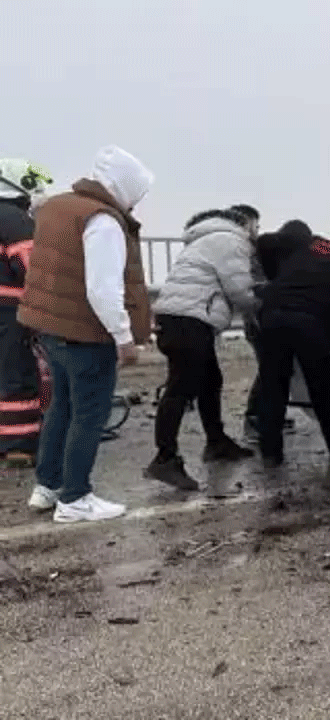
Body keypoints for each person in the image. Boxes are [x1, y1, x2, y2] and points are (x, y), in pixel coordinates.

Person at [17, 145, 154, 523]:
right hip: (85, 335)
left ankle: (48, 486)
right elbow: (103, 289)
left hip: (52, 328)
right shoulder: (103, 220)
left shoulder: (57, 207)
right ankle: (75, 497)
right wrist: (124, 337)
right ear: (122, 186)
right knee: (89, 416)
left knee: (61, 407)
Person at [144, 207, 261, 490]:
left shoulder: (204, 239)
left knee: (210, 379)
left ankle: (216, 440)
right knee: (180, 388)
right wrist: (268, 302)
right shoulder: (230, 241)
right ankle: (164, 458)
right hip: (189, 320)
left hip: (180, 318)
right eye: (255, 227)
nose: (256, 233)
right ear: (244, 224)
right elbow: (240, 290)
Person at [256, 231, 330, 468]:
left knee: (273, 388)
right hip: (308, 322)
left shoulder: (314, 247)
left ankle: (270, 454)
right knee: (321, 389)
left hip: (271, 319)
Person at [0, 159, 53, 468]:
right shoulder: (15, 221)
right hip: (9, 313)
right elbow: (32, 268)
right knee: (17, 376)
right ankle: (19, 446)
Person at [242, 219, 312, 443]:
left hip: (265, 316)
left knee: (273, 371)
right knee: (270, 372)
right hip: (263, 317)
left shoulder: (275, 247)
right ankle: (255, 419)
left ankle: (268, 419)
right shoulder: (269, 250)